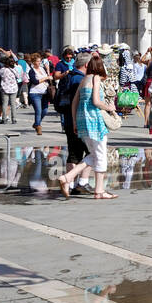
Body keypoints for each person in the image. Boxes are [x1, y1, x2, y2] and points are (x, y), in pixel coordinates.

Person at [58, 53, 117, 199]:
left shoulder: (84, 79)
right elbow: (96, 101)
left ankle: (68, 177)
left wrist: (75, 122)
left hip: (82, 120)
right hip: (94, 120)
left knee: (94, 154)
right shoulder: (95, 78)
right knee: (101, 155)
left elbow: (74, 103)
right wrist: (109, 108)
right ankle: (99, 191)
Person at [55, 50, 92, 187]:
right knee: (91, 152)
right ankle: (82, 182)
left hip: (69, 119)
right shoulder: (80, 79)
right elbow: (80, 102)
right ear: (87, 64)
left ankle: (70, 184)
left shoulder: (70, 75)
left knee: (74, 153)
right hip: (79, 121)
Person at [27, 52, 52, 135]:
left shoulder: (42, 69)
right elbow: (34, 81)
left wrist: (48, 72)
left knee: (45, 111)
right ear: (33, 62)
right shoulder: (31, 71)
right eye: (38, 61)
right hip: (35, 93)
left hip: (45, 93)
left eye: (40, 61)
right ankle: (38, 127)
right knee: (38, 111)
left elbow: (48, 78)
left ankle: (36, 123)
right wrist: (46, 78)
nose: (39, 63)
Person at [0, 56, 20, 124]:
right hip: (13, 88)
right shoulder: (14, 69)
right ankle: (14, 119)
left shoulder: (2, 69)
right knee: (13, 104)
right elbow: (18, 77)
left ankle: (4, 119)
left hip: (4, 88)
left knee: (5, 104)